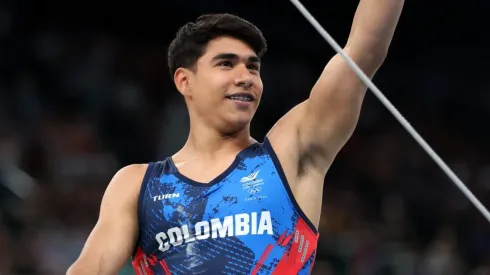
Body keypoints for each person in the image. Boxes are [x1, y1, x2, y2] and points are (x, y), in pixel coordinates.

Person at [67, 1, 404, 274]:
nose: (245, 77)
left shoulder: (288, 153)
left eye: (253, 67)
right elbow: (90, 268)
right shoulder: (137, 185)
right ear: (185, 81)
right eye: (226, 64)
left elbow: (364, 49)